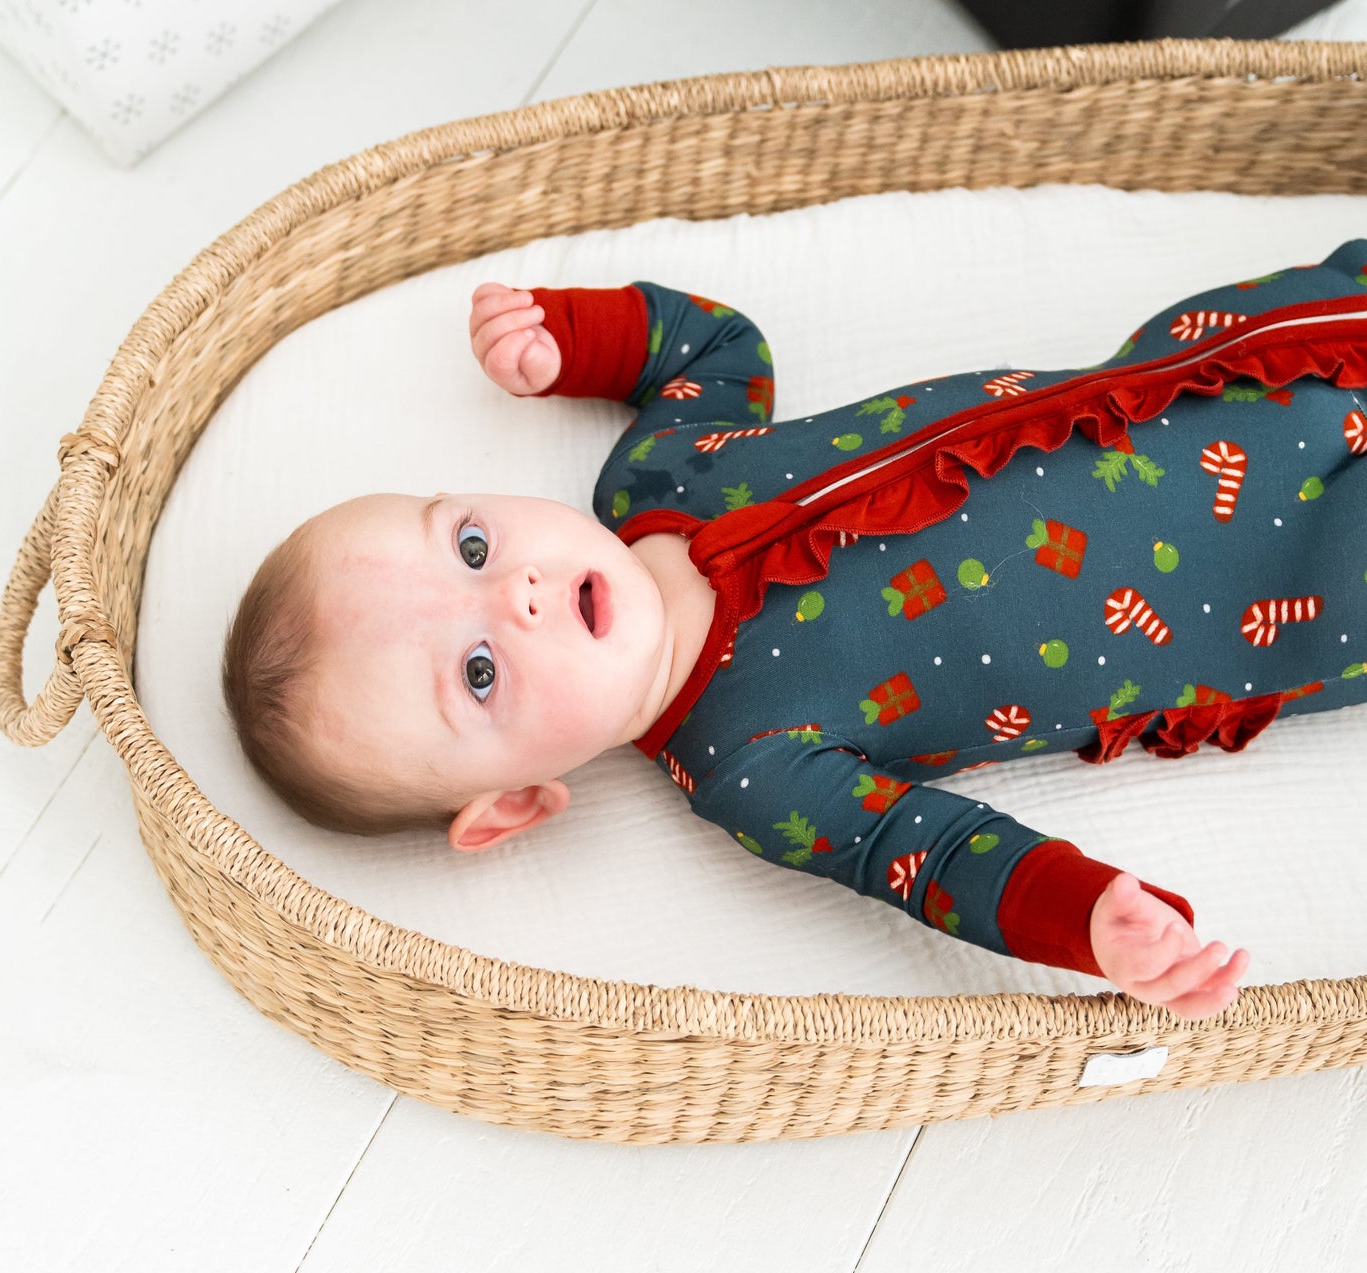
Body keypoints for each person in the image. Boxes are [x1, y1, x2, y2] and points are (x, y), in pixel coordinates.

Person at [223, 240, 1367, 1021]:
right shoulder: (751, 762)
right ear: (516, 800)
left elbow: (718, 353)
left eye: (469, 546)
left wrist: (574, 337)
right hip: (1295, 576)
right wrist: (1089, 920)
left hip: (1229, 360)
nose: (514, 593)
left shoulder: (657, 477)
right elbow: (923, 854)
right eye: (476, 672)